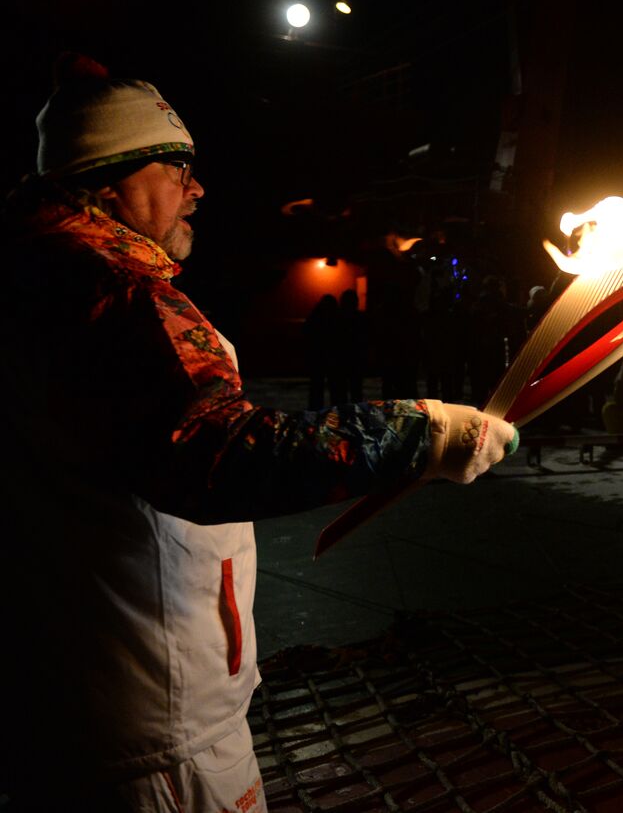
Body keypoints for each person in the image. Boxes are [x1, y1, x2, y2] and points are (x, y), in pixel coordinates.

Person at [0, 55, 519, 812]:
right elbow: (221, 453)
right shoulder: (116, 300)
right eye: (178, 167)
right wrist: (422, 432)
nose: (197, 188)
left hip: (70, 706)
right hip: (155, 727)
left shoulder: (32, 279)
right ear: (112, 180)